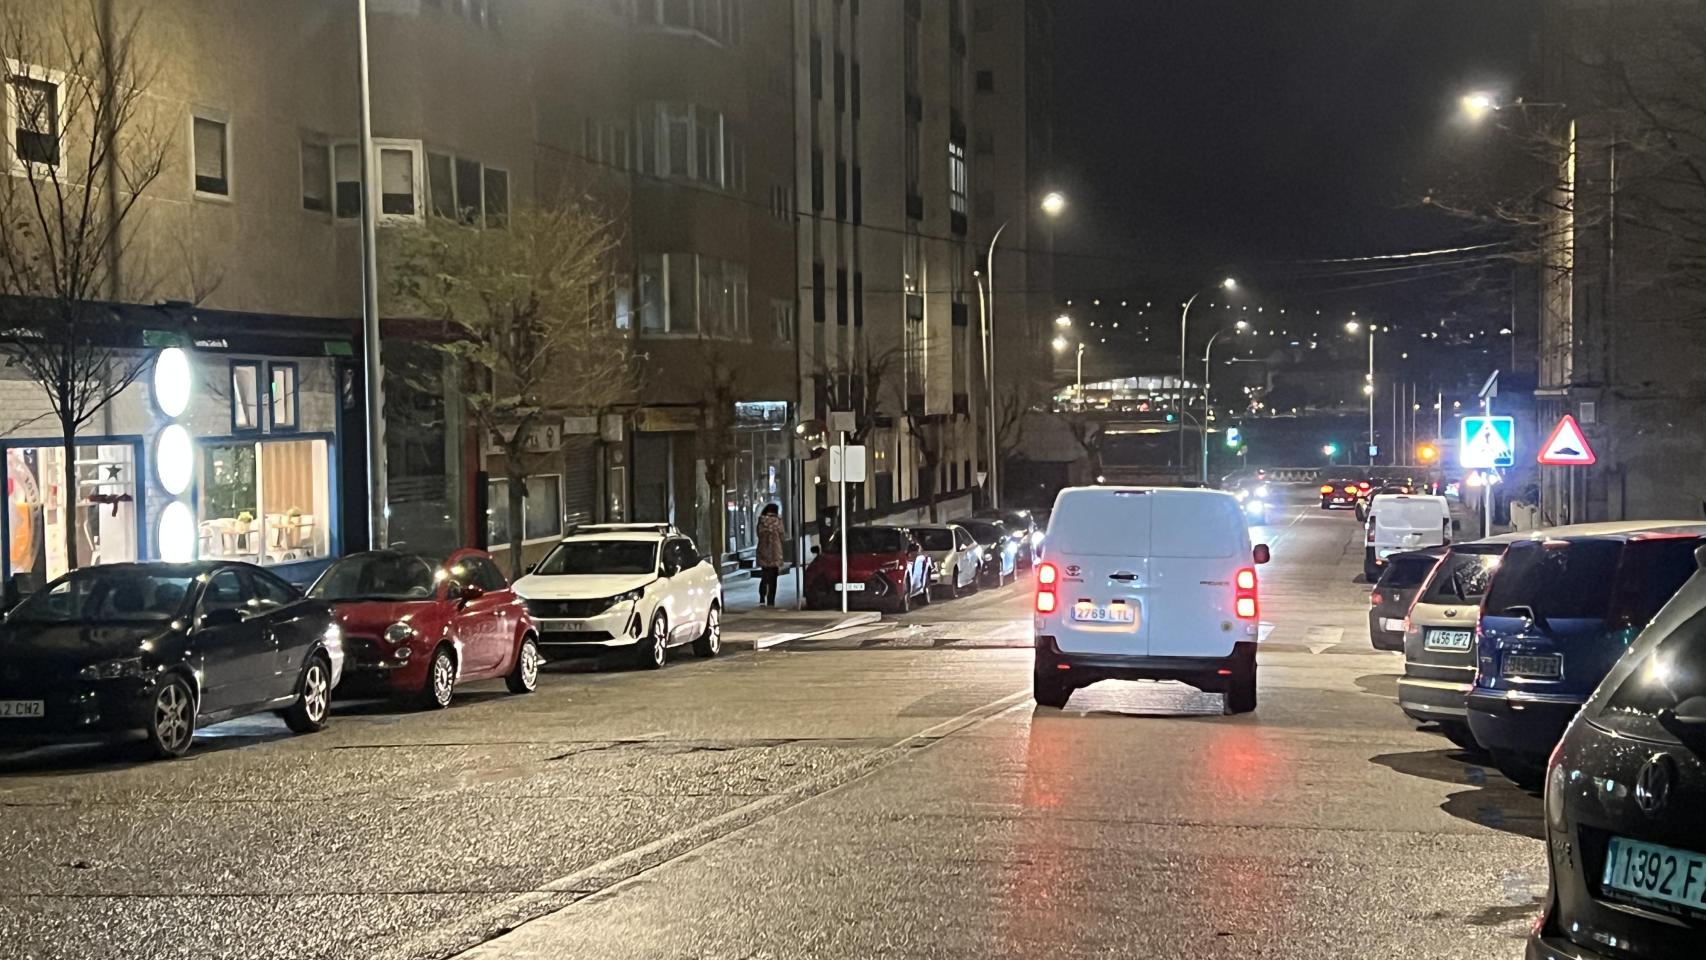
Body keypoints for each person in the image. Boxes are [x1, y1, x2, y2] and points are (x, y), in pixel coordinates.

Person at [756, 502, 786, 607]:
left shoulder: (761, 521)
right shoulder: (778, 521)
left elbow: (758, 534)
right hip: (775, 552)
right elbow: (782, 536)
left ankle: (762, 597)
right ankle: (771, 600)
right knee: (773, 577)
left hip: (763, 551)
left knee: (764, 576)